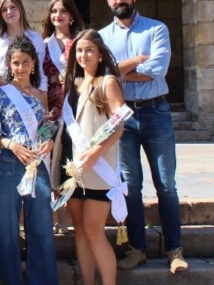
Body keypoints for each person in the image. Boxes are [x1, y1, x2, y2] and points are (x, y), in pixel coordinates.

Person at [98, 0, 189, 274]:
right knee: (131, 186)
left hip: (156, 113)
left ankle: (175, 249)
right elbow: (102, 73)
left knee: (166, 184)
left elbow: (157, 70)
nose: (119, 0)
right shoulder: (101, 37)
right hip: (123, 117)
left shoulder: (156, 29)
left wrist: (119, 70)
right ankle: (137, 248)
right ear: (108, 1)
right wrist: (136, 62)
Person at [0, 36, 57, 285]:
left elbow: (46, 126)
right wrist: (12, 145)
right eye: (16, 62)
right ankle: (7, 279)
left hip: (37, 164)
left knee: (41, 225)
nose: (21, 67)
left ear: (34, 63)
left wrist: (50, 140)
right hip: (9, 163)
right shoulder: (0, 92)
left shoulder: (41, 94)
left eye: (26, 62)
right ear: (9, 64)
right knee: (7, 225)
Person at [61, 29, 126, 285]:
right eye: (79, 50)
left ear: (100, 54)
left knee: (93, 231)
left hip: (99, 168)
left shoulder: (107, 82)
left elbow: (119, 124)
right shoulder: (74, 84)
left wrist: (96, 152)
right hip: (75, 170)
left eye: (89, 50)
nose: (83, 55)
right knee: (80, 230)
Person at [41, 0, 86, 235]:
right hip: (51, 107)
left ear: (71, 15)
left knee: (72, 161)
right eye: (54, 11)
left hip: (76, 107)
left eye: (63, 11)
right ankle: (58, 216)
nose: (58, 15)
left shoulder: (80, 41)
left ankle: (75, 213)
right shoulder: (44, 43)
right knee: (53, 163)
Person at [0, 0, 48, 92]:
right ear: (0, 14)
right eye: (4, 9)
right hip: (2, 93)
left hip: (29, 93)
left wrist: (41, 95)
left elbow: (38, 70)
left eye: (13, 7)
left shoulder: (35, 38)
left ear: (20, 9)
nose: (9, 12)